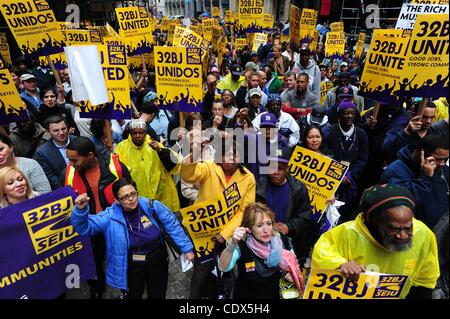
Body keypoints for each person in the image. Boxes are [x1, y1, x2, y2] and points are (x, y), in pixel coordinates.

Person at [71, 178, 195, 299]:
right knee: (134, 293)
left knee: (158, 292)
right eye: (125, 197)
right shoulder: (109, 217)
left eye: (133, 194)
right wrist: (81, 211)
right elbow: (85, 228)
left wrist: (187, 249)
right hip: (132, 264)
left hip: (158, 258)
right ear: (116, 200)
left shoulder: (152, 206)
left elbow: (173, 226)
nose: (131, 199)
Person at [311, 184, 440, 299]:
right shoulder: (344, 234)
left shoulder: (424, 235)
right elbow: (321, 258)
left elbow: (425, 282)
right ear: (374, 221)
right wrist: (339, 265)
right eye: (393, 228)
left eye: (408, 227)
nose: (402, 235)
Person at [180, 138, 256, 298]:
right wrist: (195, 152)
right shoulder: (208, 167)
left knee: (227, 267)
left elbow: (245, 210)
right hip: (204, 231)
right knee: (202, 270)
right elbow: (187, 175)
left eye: (235, 155)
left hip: (229, 235)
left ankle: (225, 294)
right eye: (227, 154)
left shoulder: (248, 178)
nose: (231, 158)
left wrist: (224, 233)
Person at [64, 136, 132, 299]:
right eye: (69, 160)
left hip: (115, 223)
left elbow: (130, 191)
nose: (71, 164)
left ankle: (127, 287)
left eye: (75, 160)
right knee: (93, 261)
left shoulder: (115, 167)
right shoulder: (70, 172)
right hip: (91, 226)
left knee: (122, 255)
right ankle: (96, 289)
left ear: (90, 155)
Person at [218, 203, 305, 299]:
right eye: (259, 225)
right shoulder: (242, 245)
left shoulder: (282, 241)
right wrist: (232, 244)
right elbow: (223, 267)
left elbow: (294, 265)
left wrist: (290, 274)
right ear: (249, 228)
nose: (266, 230)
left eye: (269, 224)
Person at [256, 147, 319, 263]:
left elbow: (305, 216)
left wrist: (289, 226)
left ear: (287, 168)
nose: (275, 172)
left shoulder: (299, 189)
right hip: (263, 245)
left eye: (280, 168)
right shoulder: (258, 188)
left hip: (292, 245)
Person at [381, 135, 449, 229]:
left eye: (445, 159)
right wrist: (425, 178)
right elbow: (402, 202)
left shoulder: (441, 168)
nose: (443, 164)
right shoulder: (395, 171)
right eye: (438, 159)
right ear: (422, 153)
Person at [115, 119, 180, 212]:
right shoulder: (121, 148)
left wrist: (160, 151)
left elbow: (175, 162)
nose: (137, 135)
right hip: (137, 199)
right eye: (134, 133)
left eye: (140, 133)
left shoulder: (155, 145)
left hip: (161, 196)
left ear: (145, 132)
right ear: (130, 133)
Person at [325, 100, 368, 221]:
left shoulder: (361, 134)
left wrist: (350, 176)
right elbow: (327, 153)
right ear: (339, 115)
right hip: (332, 178)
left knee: (347, 211)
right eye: (346, 113)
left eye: (352, 113)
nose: (349, 116)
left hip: (351, 180)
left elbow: (363, 159)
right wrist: (337, 175)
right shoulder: (331, 131)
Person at [34, 115, 77, 190]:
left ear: (67, 127)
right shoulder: (42, 153)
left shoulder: (78, 141)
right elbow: (52, 179)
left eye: (63, 129)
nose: (61, 133)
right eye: (56, 130)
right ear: (48, 131)